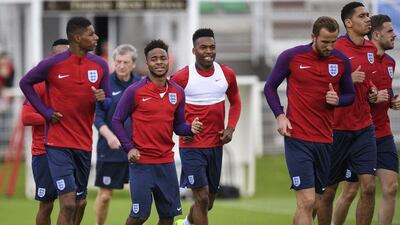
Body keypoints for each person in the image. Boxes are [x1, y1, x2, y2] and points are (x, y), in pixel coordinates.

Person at [264, 16, 355, 225]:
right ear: (313, 37)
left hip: (325, 139)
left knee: (315, 202)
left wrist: (338, 100)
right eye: (325, 42)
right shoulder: (292, 56)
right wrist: (280, 115)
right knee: (306, 200)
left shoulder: (340, 61)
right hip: (298, 138)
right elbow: (269, 87)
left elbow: (350, 95)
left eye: (333, 41)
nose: (330, 46)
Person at [19, 17, 110, 225]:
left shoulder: (99, 65)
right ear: (77, 38)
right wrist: (45, 112)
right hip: (54, 145)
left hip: (84, 145)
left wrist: (104, 99)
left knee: (79, 203)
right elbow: (25, 83)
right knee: (61, 204)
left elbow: (108, 102)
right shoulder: (50, 68)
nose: (96, 37)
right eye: (91, 34)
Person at [112, 39, 203, 225]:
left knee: (168, 216)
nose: (159, 62)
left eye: (163, 58)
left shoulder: (177, 92)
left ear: (168, 61)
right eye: (154, 59)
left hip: (166, 163)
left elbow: (179, 127)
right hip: (141, 164)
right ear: (147, 64)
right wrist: (129, 148)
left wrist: (190, 129)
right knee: (139, 216)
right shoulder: (134, 91)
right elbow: (116, 120)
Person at [329, 14, 399, 225]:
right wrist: (372, 97)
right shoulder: (354, 54)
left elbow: (379, 92)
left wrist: (391, 101)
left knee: (390, 187)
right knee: (350, 191)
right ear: (376, 35)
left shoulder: (390, 62)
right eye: (389, 31)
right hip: (357, 131)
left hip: (382, 132)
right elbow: (357, 95)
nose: (394, 34)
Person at [171, 28, 242, 225]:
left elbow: (235, 102)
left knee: (208, 202)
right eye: (203, 47)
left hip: (215, 145)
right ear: (194, 51)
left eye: (212, 47)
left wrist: (231, 128)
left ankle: (185, 223)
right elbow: (168, 109)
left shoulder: (226, 74)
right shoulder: (181, 77)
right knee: (200, 198)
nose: (208, 51)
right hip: (191, 146)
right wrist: (183, 129)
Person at [317, 2, 378, 225]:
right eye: (362, 16)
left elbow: (367, 80)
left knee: (369, 187)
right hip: (336, 129)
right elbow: (319, 83)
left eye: (368, 15)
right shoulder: (335, 48)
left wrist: (371, 92)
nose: (368, 19)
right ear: (348, 22)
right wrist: (347, 80)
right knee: (329, 190)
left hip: (364, 128)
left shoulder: (371, 48)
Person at [21, 38, 69, 225]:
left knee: (73, 203)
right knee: (47, 204)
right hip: (44, 152)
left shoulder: (75, 85)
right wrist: (50, 116)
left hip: (70, 150)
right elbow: (26, 117)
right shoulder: (40, 84)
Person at [93, 44, 142, 225]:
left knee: (139, 194)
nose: (121, 66)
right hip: (110, 149)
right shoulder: (103, 85)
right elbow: (97, 117)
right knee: (105, 197)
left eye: (126, 62)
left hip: (135, 150)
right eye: (118, 62)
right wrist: (109, 136)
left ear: (133, 64)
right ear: (113, 62)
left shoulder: (141, 85)